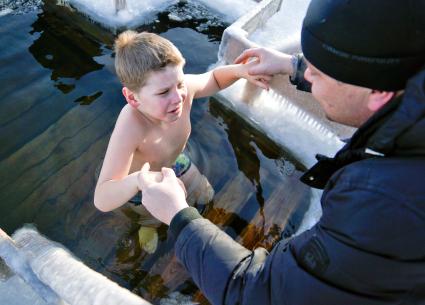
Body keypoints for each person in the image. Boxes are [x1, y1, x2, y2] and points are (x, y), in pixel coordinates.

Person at [138, 0, 425, 304]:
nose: (308, 75)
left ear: (378, 93)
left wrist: (179, 218)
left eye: (318, 73)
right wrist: (293, 66)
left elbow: (261, 294)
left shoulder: (385, 208)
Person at [94, 31, 270, 253]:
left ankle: (186, 188)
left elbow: (214, 79)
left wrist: (239, 71)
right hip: (142, 185)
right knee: (154, 215)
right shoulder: (131, 125)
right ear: (132, 98)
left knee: (205, 194)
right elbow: (102, 197)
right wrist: (140, 180)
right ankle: (148, 225)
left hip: (175, 161)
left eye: (179, 84)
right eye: (164, 92)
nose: (178, 97)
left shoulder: (182, 90)